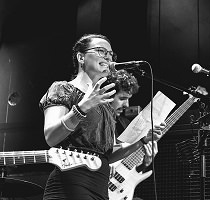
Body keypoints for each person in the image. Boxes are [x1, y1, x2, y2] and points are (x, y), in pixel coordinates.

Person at [39, 33, 164, 200]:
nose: (108, 56)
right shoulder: (62, 89)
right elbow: (51, 137)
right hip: (70, 184)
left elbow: (108, 156)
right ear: (81, 57)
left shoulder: (106, 106)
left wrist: (141, 141)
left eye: (110, 53)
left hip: (100, 187)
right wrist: (82, 107)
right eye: (101, 51)